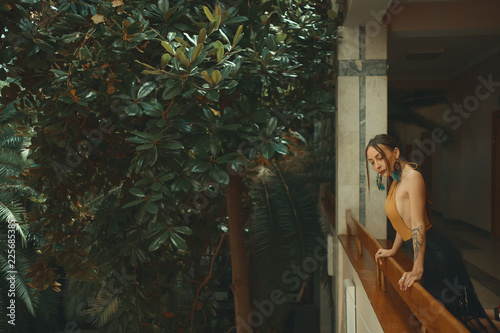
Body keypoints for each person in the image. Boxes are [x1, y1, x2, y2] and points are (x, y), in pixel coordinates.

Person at [365, 134, 499, 332]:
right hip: (429, 254)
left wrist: (418, 267)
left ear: (395, 152)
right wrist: (393, 250)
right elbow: (402, 222)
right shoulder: (396, 178)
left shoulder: (412, 178)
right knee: (448, 315)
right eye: (371, 161)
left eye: (379, 157)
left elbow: (417, 224)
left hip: (438, 254)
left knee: (442, 320)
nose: (376, 165)